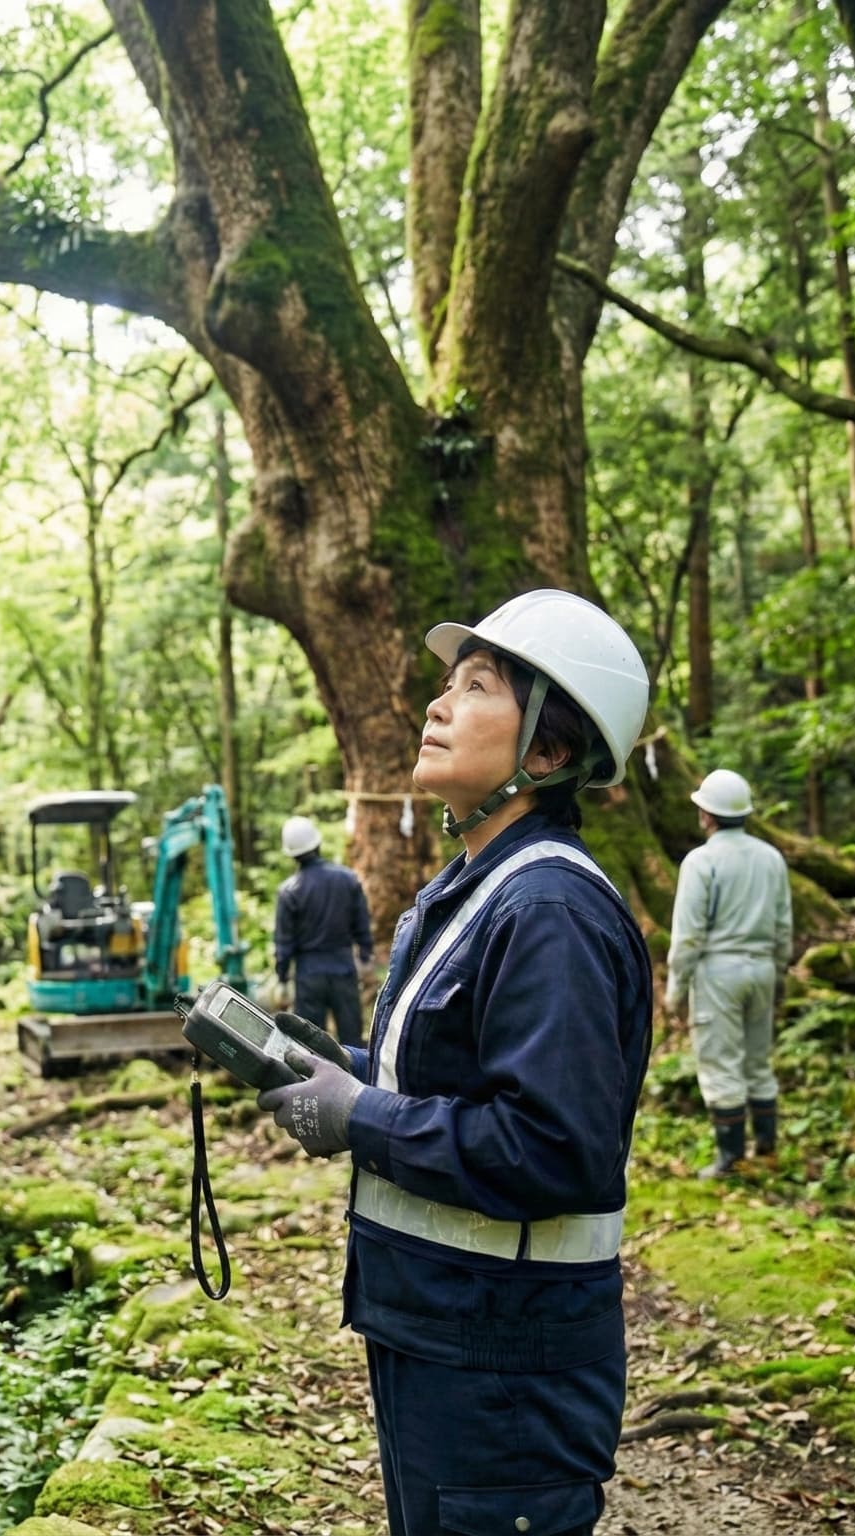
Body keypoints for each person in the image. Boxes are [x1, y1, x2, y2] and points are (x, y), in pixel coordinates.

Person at [253, 588, 654, 1536]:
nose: (436, 706)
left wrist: (361, 1115)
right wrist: (337, 1069)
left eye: (476, 688)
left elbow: (553, 1147)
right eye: (445, 685)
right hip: (438, 1329)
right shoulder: (476, 890)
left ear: (547, 754)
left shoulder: (546, 909)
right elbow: (453, 1078)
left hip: (503, 1364)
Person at [664, 768, 794, 1179]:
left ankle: (731, 1160)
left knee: (721, 1064)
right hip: (761, 970)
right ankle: (768, 1150)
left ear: (707, 815)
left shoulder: (701, 862)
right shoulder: (771, 858)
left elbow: (688, 937)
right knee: (758, 1061)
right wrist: (779, 975)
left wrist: (674, 991)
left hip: (718, 972)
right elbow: (783, 927)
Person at [273, 814, 376, 1046]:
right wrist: (366, 955)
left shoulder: (289, 891)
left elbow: (284, 942)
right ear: (317, 844)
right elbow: (362, 923)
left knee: (310, 1046)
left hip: (309, 974)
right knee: (352, 1041)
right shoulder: (348, 879)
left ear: (291, 854)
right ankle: (357, 1082)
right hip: (343, 968)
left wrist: (281, 977)